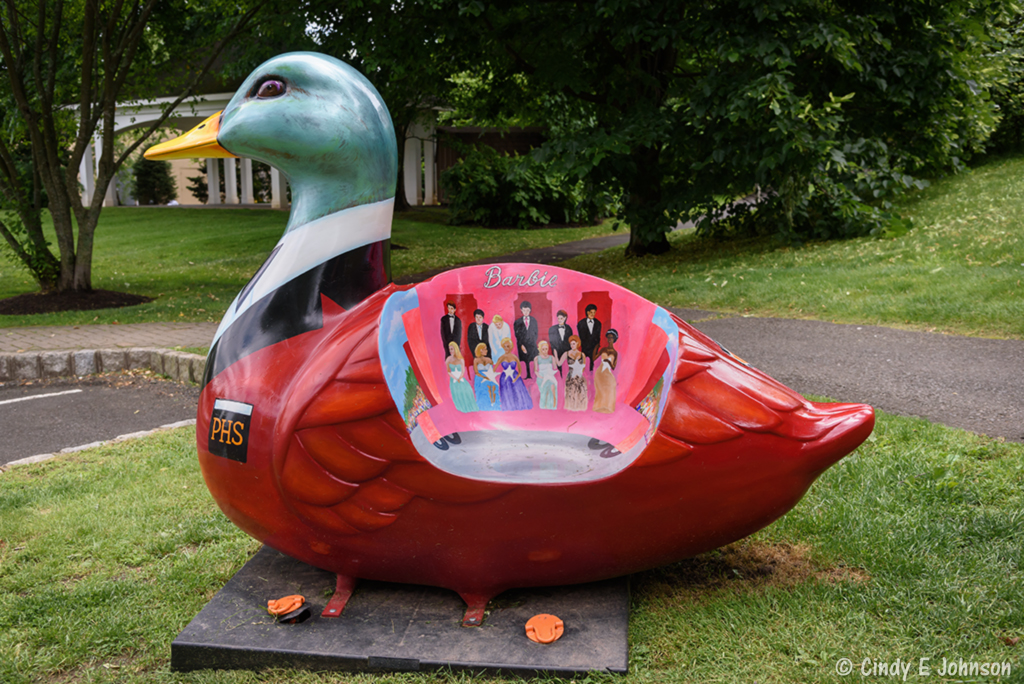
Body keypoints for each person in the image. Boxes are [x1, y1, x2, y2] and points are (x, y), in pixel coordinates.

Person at [496, 337, 532, 410]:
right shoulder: (501, 358)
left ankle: (518, 406)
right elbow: (494, 369)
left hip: (515, 376)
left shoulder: (515, 357)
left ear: (511, 347)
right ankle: (509, 406)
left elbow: (520, 370)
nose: (506, 348)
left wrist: (516, 378)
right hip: (504, 377)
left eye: (508, 346)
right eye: (505, 346)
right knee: (507, 391)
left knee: (517, 390)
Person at [445, 341, 477, 413]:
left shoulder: (461, 359)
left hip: (461, 379)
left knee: (467, 391)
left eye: (452, 349)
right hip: (453, 380)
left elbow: (463, 371)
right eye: (449, 349)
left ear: (455, 349)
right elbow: (448, 371)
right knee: (457, 394)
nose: (450, 351)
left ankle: (469, 407)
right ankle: (461, 409)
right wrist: (455, 378)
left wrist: (459, 378)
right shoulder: (448, 359)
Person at [592, 329, 619, 413]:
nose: (609, 339)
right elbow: (594, 358)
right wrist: (595, 348)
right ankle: (599, 407)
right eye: (608, 337)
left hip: (608, 372)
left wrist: (608, 362)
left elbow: (613, 367)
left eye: (611, 337)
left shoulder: (615, 353)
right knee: (600, 389)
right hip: (600, 372)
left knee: (611, 386)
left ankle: (608, 407)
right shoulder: (603, 349)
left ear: (614, 339)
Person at [513, 300, 540, 379]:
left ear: (530, 310)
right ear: (521, 310)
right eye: (524, 310)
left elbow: (536, 333)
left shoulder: (534, 320)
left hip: (532, 344)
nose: (526, 312)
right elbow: (517, 335)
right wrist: (522, 345)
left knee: (532, 360)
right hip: (522, 345)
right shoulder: (517, 322)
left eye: (527, 310)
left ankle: (533, 375)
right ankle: (526, 375)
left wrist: (532, 343)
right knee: (524, 361)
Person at [472, 342, 501, 411]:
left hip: (489, 376)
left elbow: (492, 370)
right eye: (485, 349)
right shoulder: (476, 360)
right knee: (484, 387)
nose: (486, 351)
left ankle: (495, 404)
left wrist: (490, 376)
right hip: (480, 377)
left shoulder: (489, 360)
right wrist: (485, 377)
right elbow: (476, 372)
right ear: (480, 350)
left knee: (494, 386)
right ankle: (484, 405)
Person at [564, 335, 588, 411]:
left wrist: (579, 374)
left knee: (581, 391)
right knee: (571, 392)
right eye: (571, 344)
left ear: (577, 343)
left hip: (579, 376)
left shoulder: (582, 354)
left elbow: (583, 366)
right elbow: (559, 363)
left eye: (573, 344)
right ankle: (571, 408)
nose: (572, 345)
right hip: (570, 376)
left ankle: (579, 408)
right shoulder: (567, 353)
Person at [577, 303, 602, 371]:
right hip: (585, 348)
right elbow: (581, 337)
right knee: (584, 364)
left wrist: (597, 347)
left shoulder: (598, 323)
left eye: (594, 312)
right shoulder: (581, 323)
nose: (593, 314)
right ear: (587, 312)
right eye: (591, 312)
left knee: (593, 365)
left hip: (594, 348)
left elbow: (598, 337)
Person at [547, 310, 573, 376]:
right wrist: (556, 358)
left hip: (566, 355)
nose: (559, 320)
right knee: (558, 373)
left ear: (565, 318)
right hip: (556, 353)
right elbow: (553, 345)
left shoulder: (569, 328)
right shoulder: (552, 329)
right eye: (558, 318)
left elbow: (570, 344)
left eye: (561, 318)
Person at [534, 340, 559, 410]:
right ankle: (544, 404)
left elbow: (555, 368)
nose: (545, 351)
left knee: (552, 385)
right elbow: (536, 371)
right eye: (543, 349)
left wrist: (555, 358)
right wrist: (540, 376)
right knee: (546, 386)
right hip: (541, 377)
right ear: (540, 349)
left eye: (546, 349)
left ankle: (553, 405)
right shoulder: (537, 358)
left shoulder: (551, 357)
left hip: (550, 376)